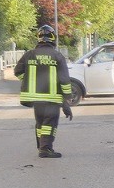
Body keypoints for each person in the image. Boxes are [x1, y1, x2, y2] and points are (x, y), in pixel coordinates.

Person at [14, 23, 72, 158]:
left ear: (39, 38)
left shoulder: (29, 55)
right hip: (51, 99)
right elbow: (64, 79)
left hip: (35, 98)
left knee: (40, 123)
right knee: (49, 123)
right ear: (53, 38)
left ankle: (41, 146)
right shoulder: (57, 56)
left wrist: (27, 81)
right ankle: (45, 149)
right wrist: (67, 97)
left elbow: (18, 71)